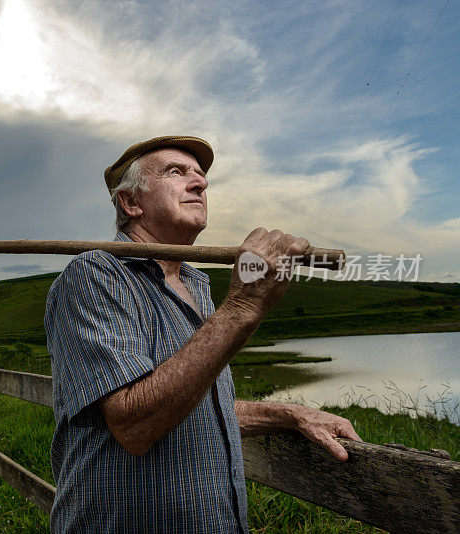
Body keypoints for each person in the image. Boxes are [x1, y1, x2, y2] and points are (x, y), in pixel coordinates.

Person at [45, 136, 362, 533]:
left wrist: (289, 415)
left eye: (200, 175)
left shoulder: (196, 284)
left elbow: (199, 405)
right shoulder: (95, 276)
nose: (200, 184)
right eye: (176, 173)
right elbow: (134, 425)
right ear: (131, 203)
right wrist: (244, 307)